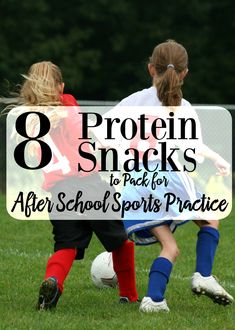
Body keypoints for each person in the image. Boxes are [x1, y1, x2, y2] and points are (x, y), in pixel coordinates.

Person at [108, 40, 233, 312]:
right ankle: (203, 275)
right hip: (164, 176)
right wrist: (216, 158)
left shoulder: (132, 101)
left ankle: (153, 299)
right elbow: (193, 151)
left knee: (170, 246)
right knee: (211, 219)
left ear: (151, 68)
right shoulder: (182, 107)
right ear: (185, 73)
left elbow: (102, 137)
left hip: (133, 185)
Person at [15, 61, 138, 310]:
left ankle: (53, 280)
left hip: (60, 193)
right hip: (89, 185)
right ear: (60, 86)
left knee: (66, 246)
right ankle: (129, 295)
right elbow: (82, 139)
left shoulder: (29, 119)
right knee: (120, 242)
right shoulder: (67, 104)